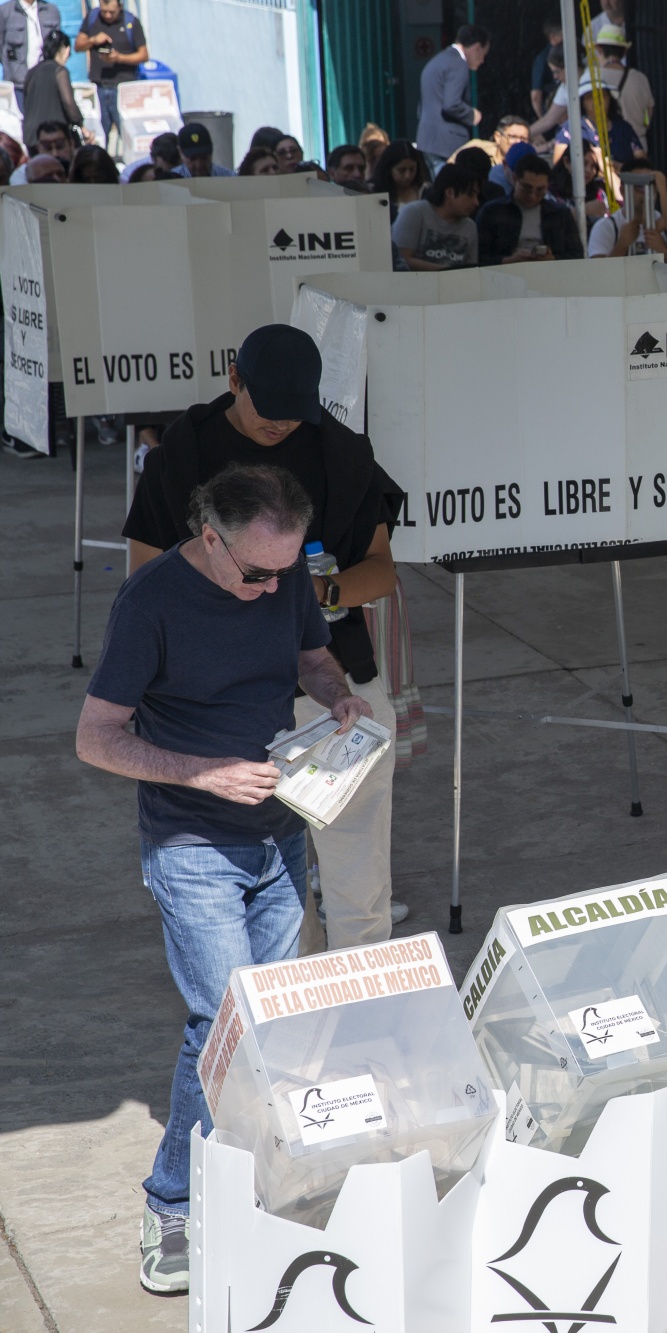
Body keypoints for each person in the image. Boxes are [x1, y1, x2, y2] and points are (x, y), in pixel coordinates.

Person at [83, 464, 368, 1297]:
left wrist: (338, 697)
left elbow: (313, 657)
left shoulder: (278, 579)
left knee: (266, 1020)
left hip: (280, 830)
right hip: (191, 838)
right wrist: (204, 775)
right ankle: (170, 1201)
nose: (269, 588)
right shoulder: (150, 604)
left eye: (282, 574)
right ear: (210, 537)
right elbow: (95, 738)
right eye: (253, 573)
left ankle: (254, 1177)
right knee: (223, 1022)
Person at [122, 324, 406, 943]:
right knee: (269, 885)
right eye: (267, 411)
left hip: (330, 677)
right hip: (216, 695)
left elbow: (381, 571)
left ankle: (366, 1020)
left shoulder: (339, 451)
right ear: (234, 380)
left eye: (294, 414)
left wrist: (317, 593)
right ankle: (295, 1022)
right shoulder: (186, 452)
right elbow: (143, 580)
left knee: (358, 873)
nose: (281, 427)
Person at [476, 152, 583, 264]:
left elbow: (577, 256)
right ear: (514, 179)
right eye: (526, 188)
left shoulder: (561, 214)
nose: (532, 195)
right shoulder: (491, 212)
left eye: (540, 190)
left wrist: (552, 259)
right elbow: (480, 257)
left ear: (547, 186)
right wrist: (508, 261)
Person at [416, 24, 488, 171]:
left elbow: (423, 105)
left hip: (427, 140)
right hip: (446, 144)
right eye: (484, 55)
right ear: (477, 48)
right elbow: (451, 104)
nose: (482, 61)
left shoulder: (438, 60)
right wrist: (472, 115)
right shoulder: (458, 63)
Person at [76, 0, 144, 152]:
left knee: (127, 132)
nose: (107, 15)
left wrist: (120, 58)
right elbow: (78, 45)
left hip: (123, 89)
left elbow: (143, 54)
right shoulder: (92, 18)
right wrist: (93, 40)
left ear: (120, 7)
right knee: (99, 134)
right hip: (99, 87)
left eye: (111, 12)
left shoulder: (131, 22)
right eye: (104, 11)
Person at [391, 161, 482, 271]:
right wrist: (447, 272)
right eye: (470, 195)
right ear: (449, 192)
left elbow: (471, 270)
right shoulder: (414, 213)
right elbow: (402, 259)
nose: (476, 202)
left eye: (477, 196)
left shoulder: (470, 227)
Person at [18, 33, 80, 148]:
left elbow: (26, 103)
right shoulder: (60, 71)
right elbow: (68, 102)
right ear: (66, 50)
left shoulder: (31, 72)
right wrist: (79, 122)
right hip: (52, 138)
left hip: (30, 135)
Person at [369, 140, 432, 224]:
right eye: (402, 170)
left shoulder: (425, 191)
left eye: (412, 169)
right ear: (388, 169)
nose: (408, 175)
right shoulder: (373, 192)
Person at [0, 0, 57, 91]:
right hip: (17, 84)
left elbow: (57, 47)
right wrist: (12, 70)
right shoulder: (5, 11)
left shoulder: (50, 11)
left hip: (46, 82)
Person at [528, 16, 563, 117]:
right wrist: (543, 119)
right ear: (553, 37)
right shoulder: (542, 60)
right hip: (553, 115)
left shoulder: (573, 52)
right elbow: (536, 96)